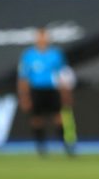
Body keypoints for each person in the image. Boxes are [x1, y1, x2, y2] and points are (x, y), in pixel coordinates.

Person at [17, 27, 77, 157]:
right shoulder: (29, 55)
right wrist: (24, 97)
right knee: (36, 119)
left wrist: (66, 93)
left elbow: (63, 75)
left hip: (52, 89)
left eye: (45, 36)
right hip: (36, 90)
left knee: (59, 118)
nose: (43, 39)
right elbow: (23, 78)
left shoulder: (56, 54)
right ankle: (41, 147)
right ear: (36, 38)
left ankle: (67, 146)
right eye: (40, 36)